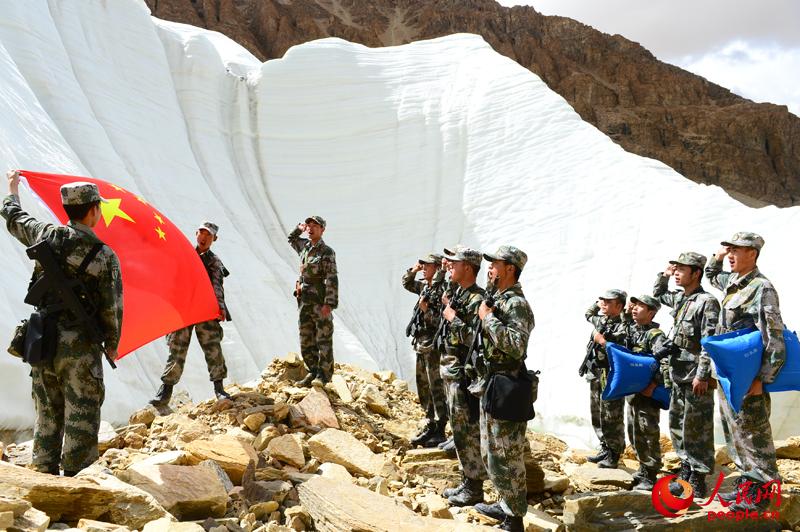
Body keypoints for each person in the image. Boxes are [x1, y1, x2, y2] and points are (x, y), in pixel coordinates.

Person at [1, 170, 122, 475]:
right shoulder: (104, 255)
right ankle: (77, 477)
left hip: (43, 339)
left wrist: (12, 189)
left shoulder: (47, 235)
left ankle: (43, 471)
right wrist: (112, 344)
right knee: (82, 413)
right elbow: (112, 307)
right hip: (80, 345)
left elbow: (13, 216)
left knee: (47, 411)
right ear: (93, 210)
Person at [706, 233, 784, 511]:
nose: (730, 254)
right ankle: (748, 487)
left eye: (736, 250)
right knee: (735, 431)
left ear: (753, 253)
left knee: (753, 432)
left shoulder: (762, 288)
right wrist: (718, 255)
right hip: (728, 373)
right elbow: (711, 273)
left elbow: (773, 335)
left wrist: (763, 378)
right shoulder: (733, 283)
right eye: (728, 249)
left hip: (749, 376)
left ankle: (763, 495)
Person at [473, 246, 535, 532]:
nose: (490, 269)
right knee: (491, 451)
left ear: (510, 268)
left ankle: (515, 519)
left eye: (495, 265)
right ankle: (504, 502)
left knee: (507, 453)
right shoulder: (498, 298)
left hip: (508, 384)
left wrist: (488, 318)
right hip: (492, 383)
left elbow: (515, 345)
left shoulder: (516, 304)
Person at [653, 252, 720, 498]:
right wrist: (664, 275)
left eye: (683, 269)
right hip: (678, 373)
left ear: (697, 273)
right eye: (676, 268)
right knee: (678, 423)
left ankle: (699, 477)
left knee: (698, 426)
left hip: (695, 375)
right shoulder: (682, 298)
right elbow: (659, 295)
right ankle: (685, 470)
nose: (678, 272)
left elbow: (709, 341)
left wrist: (703, 375)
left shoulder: (707, 301)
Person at [151, 221, 232, 406]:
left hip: (205, 310)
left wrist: (219, 308)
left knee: (213, 348)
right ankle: (165, 391)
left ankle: (219, 389)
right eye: (202, 233)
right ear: (196, 233)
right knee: (177, 348)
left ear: (214, 239)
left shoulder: (214, 261)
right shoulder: (185, 254)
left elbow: (217, 286)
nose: (204, 238)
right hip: (184, 309)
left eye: (208, 235)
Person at [599, 295, 671, 490]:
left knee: (647, 431)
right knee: (635, 431)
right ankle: (642, 468)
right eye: (635, 305)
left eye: (641, 306)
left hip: (648, 394)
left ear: (651, 312)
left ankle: (650, 473)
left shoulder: (655, 335)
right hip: (635, 393)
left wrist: (655, 386)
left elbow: (666, 361)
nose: (635, 309)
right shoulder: (634, 330)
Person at [439, 248, 487, 507]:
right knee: (458, 429)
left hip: (465, 375)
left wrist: (453, 318)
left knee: (467, 430)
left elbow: (475, 339)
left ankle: (474, 487)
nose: (449, 267)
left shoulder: (477, 298)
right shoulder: (460, 293)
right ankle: (467, 481)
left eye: (454, 264)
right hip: (452, 371)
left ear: (468, 268)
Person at [402, 253, 448, 447]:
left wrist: (426, 310)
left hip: (433, 345)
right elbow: (406, 283)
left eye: (427, 265)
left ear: (437, 268)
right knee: (424, 386)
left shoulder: (442, 290)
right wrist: (414, 269)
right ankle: (430, 423)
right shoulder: (425, 287)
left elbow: (442, 321)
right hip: (421, 344)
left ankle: (440, 427)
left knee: (435, 386)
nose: (424, 268)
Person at [288, 216, 338, 387]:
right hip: (304, 299)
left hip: (319, 299)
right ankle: (313, 371)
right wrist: (298, 228)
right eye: (309, 225)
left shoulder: (327, 251)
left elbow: (332, 277)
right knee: (306, 338)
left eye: (315, 226)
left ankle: (324, 376)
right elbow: (291, 239)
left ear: (322, 229)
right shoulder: (304, 247)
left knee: (323, 338)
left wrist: (329, 303)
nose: (311, 228)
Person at [582, 289, 629, 468]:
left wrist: (602, 341)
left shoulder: (624, 325)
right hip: (596, 372)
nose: (604, 304)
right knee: (597, 411)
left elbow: (620, 349)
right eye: (603, 301)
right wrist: (597, 302)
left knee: (612, 414)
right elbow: (588, 314)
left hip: (612, 374)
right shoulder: (601, 319)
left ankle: (614, 452)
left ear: (619, 306)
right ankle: (605, 447)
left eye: (608, 302)